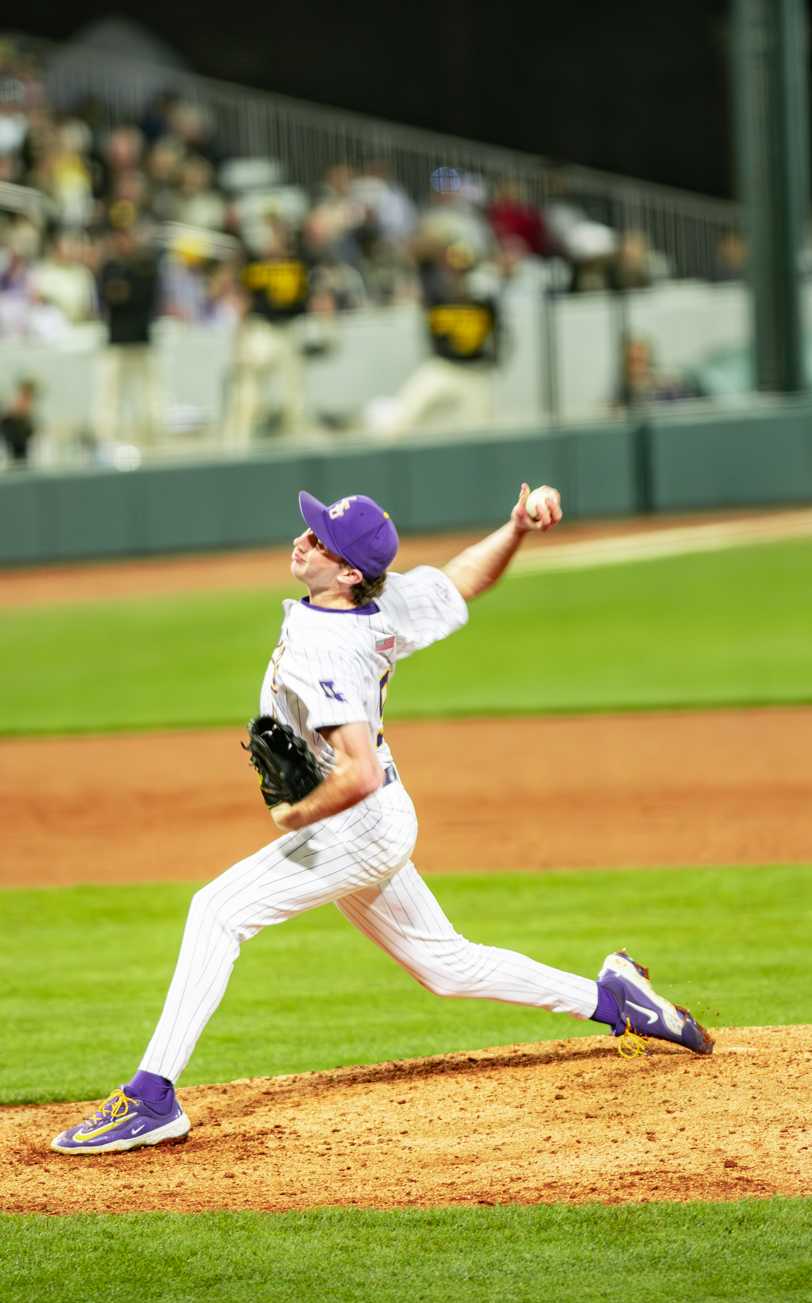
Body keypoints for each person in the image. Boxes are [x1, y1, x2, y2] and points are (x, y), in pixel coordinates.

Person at [48, 485, 714, 1156]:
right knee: (445, 964)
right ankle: (614, 999)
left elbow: (357, 770)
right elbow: (460, 582)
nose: (304, 539)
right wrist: (514, 528)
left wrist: (296, 813)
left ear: (348, 573)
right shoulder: (382, 599)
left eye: (320, 539)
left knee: (217, 910)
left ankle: (152, 1096)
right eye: (311, 529)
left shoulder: (327, 650)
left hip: (354, 825)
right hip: (375, 820)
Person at [383, 241, 497, 437]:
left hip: (475, 371)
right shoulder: (438, 295)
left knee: (481, 433)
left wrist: (494, 360)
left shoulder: (483, 301)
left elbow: (500, 334)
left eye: (463, 270)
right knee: (399, 419)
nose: (458, 275)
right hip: (442, 367)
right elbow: (419, 257)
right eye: (454, 270)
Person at [227, 222, 318, 444]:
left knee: (292, 394)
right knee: (249, 391)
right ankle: (239, 440)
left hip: (288, 330)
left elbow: (307, 301)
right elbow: (242, 303)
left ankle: (294, 440)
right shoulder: (254, 268)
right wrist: (240, 342)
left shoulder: (297, 266)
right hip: (262, 330)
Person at [92, 219, 164, 445]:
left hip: (142, 339)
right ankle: (107, 439)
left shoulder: (146, 265)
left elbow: (143, 298)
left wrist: (126, 293)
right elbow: (109, 298)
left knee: (150, 396)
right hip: (116, 341)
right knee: (109, 396)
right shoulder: (110, 267)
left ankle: (152, 438)